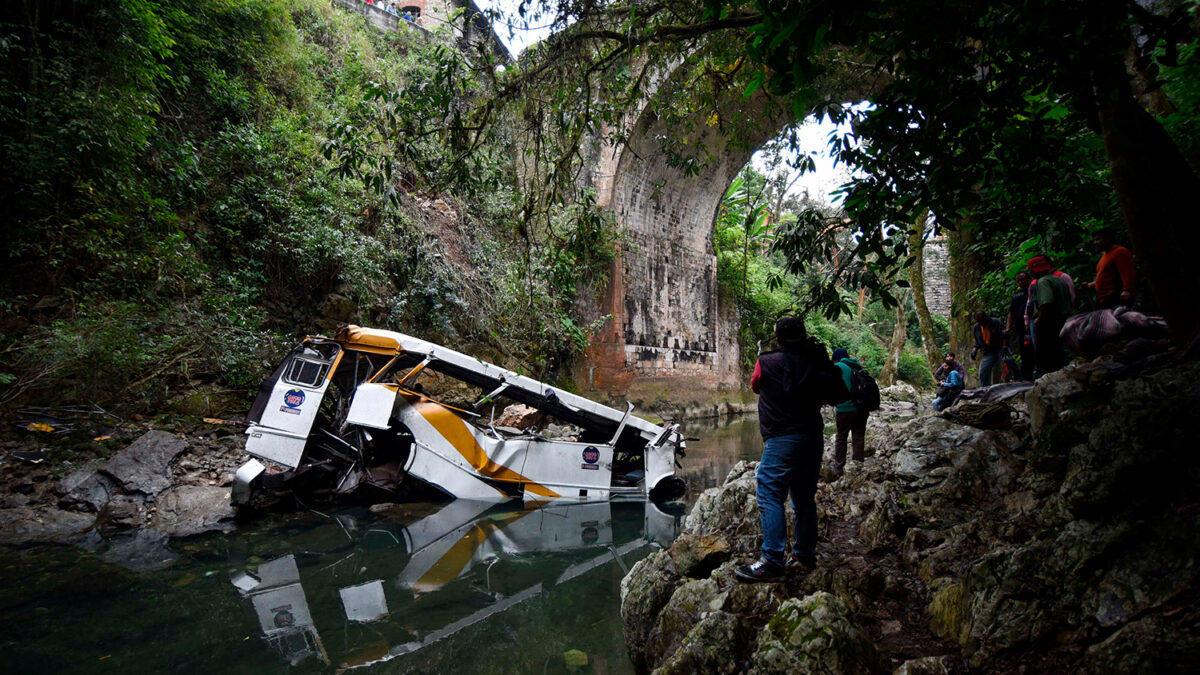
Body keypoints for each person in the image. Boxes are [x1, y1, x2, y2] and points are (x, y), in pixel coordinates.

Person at [735, 317, 847, 583]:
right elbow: (836, 392)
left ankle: (772, 559)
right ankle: (804, 554)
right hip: (812, 436)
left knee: (769, 492)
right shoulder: (816, 361)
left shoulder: (767, 361)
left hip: (782, 436)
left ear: (779, 337)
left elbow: (755, 385)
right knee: (804, 496)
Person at [1028, 255, 1072, 377]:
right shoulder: (1059, 280)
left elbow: (1046, 302)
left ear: (1033, 270)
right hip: (1063, 319)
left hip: (1049, 323)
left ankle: (1047, 381)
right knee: (1059, 352)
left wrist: (1039, 319)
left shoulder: (1043, 282)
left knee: (1046, 355)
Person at [830, 348, 867, 477]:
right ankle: (857, 468)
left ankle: (839, 469)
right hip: (862, 408)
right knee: (858, 436)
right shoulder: (857, 365)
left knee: (841, 437)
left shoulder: (838, 366)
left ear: (836, 359)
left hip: (845, 409)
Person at [1080, 228, 1136, 308]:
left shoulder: (1120, 252)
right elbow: (1106, 276)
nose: (1095, 243)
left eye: (1098, 239)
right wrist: (1090, 285)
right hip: (1106, 298)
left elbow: (1128, 273)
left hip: (1117, 296)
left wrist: (1127, 290)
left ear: (1109, 239)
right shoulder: (1105, 255)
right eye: (1094, 240)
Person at [1005, 271, 1035, 380]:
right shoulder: (1017, 296)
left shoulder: (1035, 291)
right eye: (1018, 281)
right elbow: (1011, 313)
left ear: (1029, 278)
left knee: (1038, 350)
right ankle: (1027, 378)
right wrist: (1008, 327)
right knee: (1025, 353)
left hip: (1034, 327)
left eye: (1023, 279)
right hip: (1022, 331)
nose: (1021, 282)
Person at [971, 311, 1006, 386]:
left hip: (1000, 348)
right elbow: (977, 341)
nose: (980, 322)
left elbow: (1005, 335)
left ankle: (1018, 379)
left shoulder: (996, 322)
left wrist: (1004, 347)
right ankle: (984, 389)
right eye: (978, 321)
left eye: (981, 320)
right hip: (989, 352)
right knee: (983, 370)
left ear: (986, 317)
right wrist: (974, 350)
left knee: (1009, 360)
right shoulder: (977, 327)